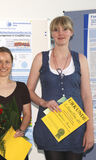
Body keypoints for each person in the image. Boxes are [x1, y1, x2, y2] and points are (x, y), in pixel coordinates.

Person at [27, 16, 94, 160]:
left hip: (76, 127)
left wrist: (90, 130)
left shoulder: (81, 59)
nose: (60, 33)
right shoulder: (41, 58)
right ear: (51, 34)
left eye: (65, 29)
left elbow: (87, 96)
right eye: (56, 30)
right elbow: (28, 91)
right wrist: (43, 103)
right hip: (51, 127)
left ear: (71, 32)